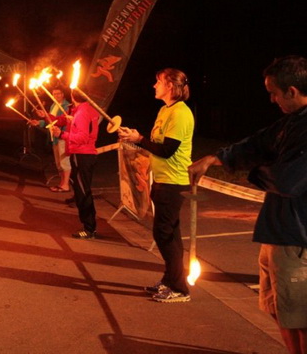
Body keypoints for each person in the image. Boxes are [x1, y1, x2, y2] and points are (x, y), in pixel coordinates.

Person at [188, 55, 307, 353]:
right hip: (278, 233)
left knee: (299, 315)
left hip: (297, 236)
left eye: (274, 93)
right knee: (279, 309)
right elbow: (258, 143)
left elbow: (288, 180)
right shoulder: (291, 122)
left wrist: (253, 171)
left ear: (292, 91)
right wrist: (217, 158)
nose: (271, 99)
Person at [118, 68, 194, 303]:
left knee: (164, 234)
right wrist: (135, 137)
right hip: (161, 180)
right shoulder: (164, 110)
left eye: (158, 81)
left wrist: (140, 140)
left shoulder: (181, 113)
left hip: (174, 182)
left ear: (170, 86)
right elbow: (156, 144)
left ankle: (180, 288)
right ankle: (170, 280)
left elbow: (168, 150)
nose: (154, 85)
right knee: (169, 235)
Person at [51, 88, 99, 239]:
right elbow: (69, 121)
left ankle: (89, 228)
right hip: (81, 154)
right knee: (81, 190)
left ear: (73, 95)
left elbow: (83, 137)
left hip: (82, 154)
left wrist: (62, 134)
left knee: (83, 192)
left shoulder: (82, 112)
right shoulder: (83, 109)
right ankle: (88, 226)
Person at [30, 84, 72, 192]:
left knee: (64, 162)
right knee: (58, 163)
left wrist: (45, 116)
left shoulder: (67, 106)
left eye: (58, 93)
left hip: (62, 136)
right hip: (55, 138)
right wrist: (39, 122)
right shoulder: (54, 105)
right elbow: (50, 120)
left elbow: (62, 121)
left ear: (63, 94)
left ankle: (66, 184)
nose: (56, 95)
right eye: (54, 94)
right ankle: (62, 183)